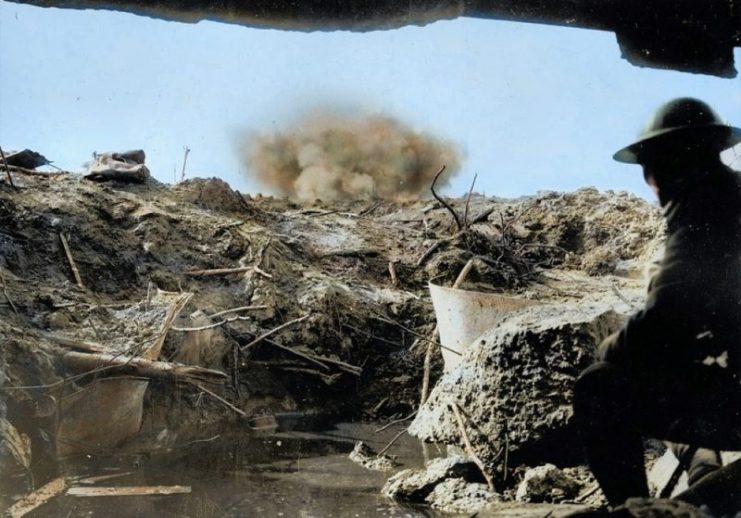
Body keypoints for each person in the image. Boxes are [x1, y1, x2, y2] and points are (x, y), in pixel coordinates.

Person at [573, 98, 741, 510]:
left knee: (601, 384)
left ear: (661, 170)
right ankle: (702, 469)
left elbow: (668, 312)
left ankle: (635, 508)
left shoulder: (705, 205)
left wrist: (610, 349)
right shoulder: (730, 192)